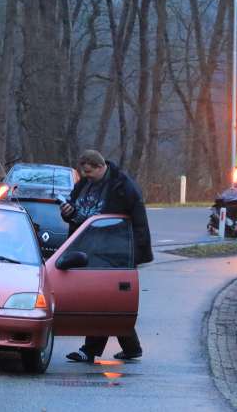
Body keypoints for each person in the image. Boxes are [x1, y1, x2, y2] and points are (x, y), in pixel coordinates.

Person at [59, 150, 153, 363]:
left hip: (113, 252)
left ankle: (89, 350)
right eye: (84, 172)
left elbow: (139, 221)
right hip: (86, 249)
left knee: (101, 300)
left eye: (89, 172)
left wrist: (136, 255)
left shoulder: (124, 186)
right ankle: (132, 348)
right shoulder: (83, 185)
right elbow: (76, 213)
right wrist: (67, 213)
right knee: (114, 302)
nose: (86, 176)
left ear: (101, 167)